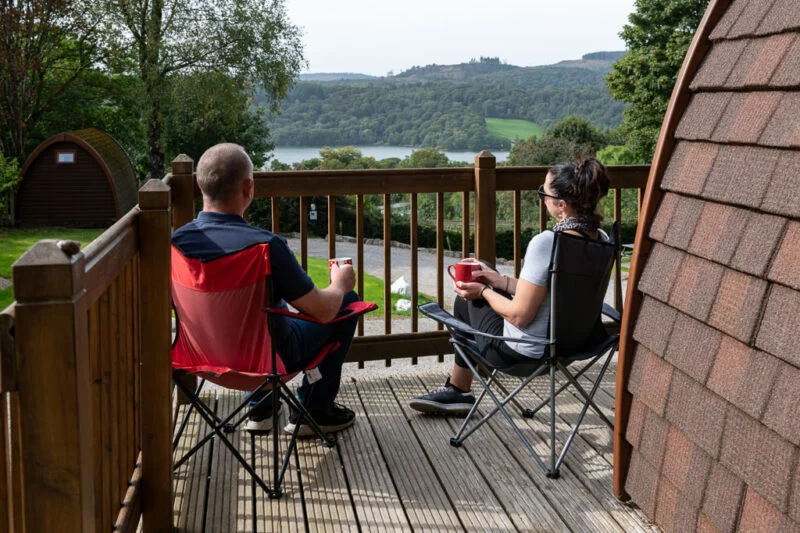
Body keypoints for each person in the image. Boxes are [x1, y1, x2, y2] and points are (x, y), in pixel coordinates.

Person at [171, 143, 360, 435]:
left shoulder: (174, 244)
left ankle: (261, 408)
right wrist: (340, 282)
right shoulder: (265, 246)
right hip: (270, 364)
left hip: (199, 360)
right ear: (249, 188)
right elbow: (322, 311)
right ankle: (316, 410)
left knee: (268, 310)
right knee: (346, 302)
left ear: (201, 186)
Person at [409, 159, 610, 414]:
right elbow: (554, 292)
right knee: (482, 273)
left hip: (523, 354)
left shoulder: (548, 242)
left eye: (543, 193)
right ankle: (458, 389)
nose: (542, 198)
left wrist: (482, 291)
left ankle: (459, 390)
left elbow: (520, 315)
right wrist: (499, 281)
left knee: (467, 297)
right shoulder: (601, 240)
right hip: (573, 346)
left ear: (562, 205)